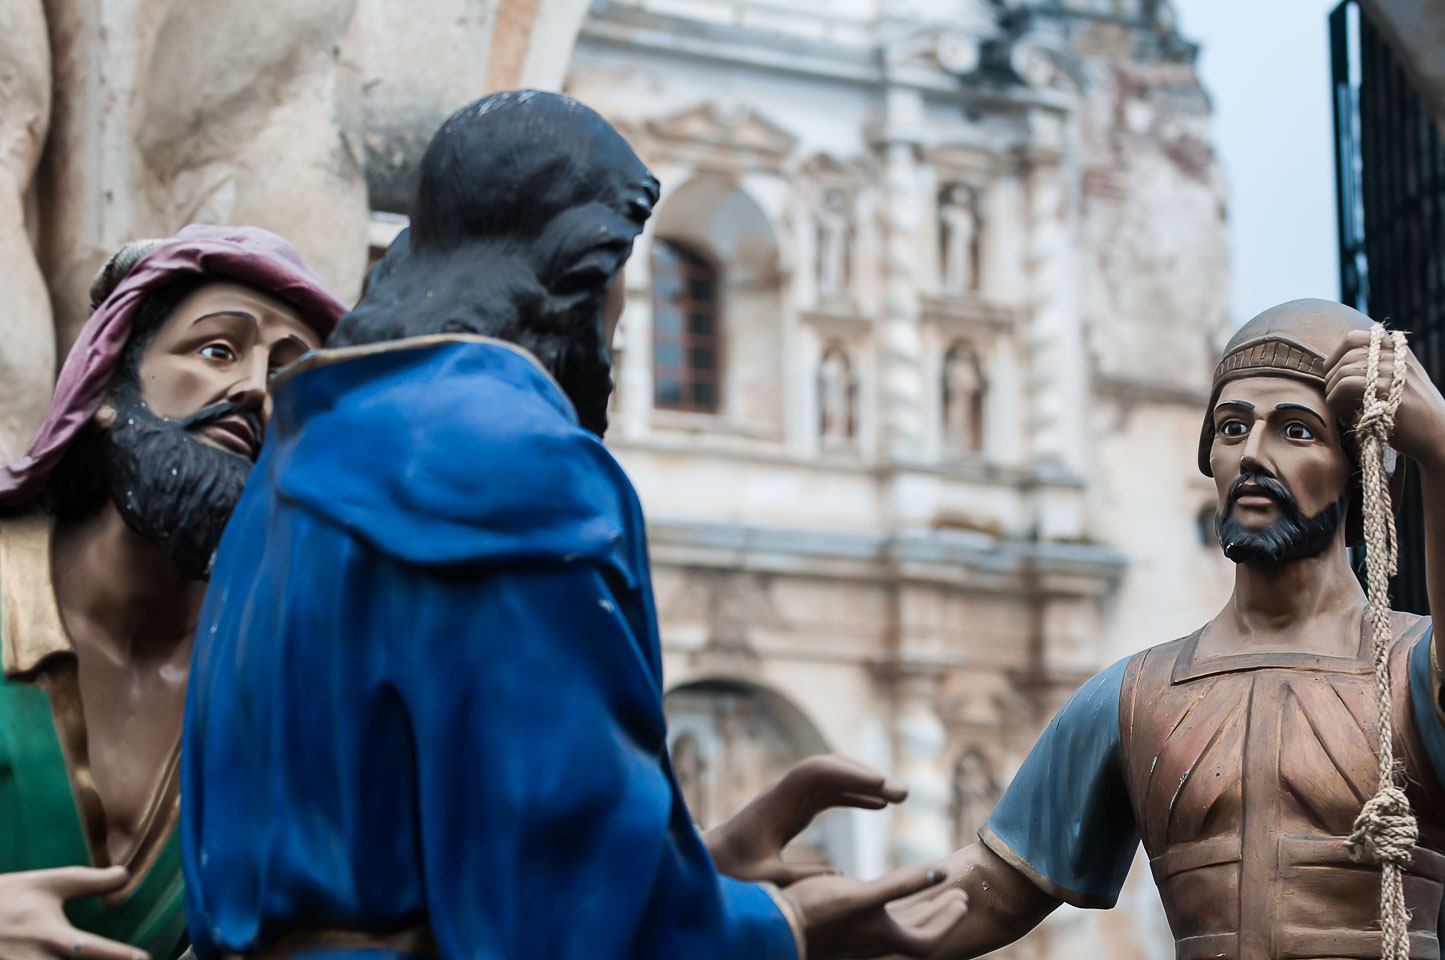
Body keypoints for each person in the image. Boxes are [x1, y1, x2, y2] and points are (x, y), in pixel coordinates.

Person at [181, 91, 969, 960]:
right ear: (584, 265)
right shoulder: (514, 464)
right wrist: (778, 927)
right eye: (626, 280)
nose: (624, 328)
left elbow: (393, 830)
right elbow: (553, 895)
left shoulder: (291, 459)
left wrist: (695, 867)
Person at [916, 299, 1445, 959]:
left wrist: (1439, 448)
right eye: (1230, 428)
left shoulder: (1411, 669)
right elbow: (991, 885)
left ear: (1363, 473)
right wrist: (784, 923)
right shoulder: (1135, 695)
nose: (1251, 453)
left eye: (1295, 431)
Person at [0, 225, 345, 960]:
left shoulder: (286, 688)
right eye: (216, 349)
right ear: (105, 387)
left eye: (291, 379)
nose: (254, 389)